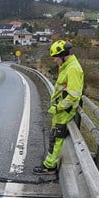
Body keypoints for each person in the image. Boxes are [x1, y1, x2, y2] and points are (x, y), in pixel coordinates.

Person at [33, 40, 84, 175]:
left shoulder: (72, 68)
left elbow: (73, 95)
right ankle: (49, 164)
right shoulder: (67, 66)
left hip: (64, 111)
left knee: (56, 139)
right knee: (54, 137)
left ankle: (50, 166)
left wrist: (58, 107)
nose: (55, 60)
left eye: (56, 57)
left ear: (62, 55)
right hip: (61, 110)